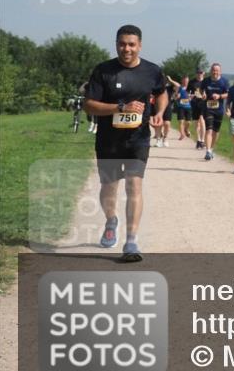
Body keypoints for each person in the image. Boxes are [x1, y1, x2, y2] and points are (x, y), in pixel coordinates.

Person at [82, 24, 166, 262]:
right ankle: (111, 220)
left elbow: (161, 92)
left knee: (134, 186)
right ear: (116, 44)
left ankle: (131, 241)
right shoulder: (103, 71)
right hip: (109, 140)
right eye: (122, 43)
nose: (126, 48)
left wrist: (159, 111)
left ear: (139, 45)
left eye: (131, 44)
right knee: (109, 187)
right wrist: (121, 107)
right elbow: (89, 105)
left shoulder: (152, 71)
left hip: (138, 139)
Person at [201, 63, 229, 161]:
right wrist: (203, 94)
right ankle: (208, 151)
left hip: (219, 109)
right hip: (208, 108)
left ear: (220, 71)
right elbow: (201, 91)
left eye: (217, 70)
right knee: (209, 129)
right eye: (213, 70)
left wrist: (219, 96)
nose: (215, 72)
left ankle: (212, 148)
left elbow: (227, 94)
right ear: (211, 71)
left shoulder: (224, 81)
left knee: (216, 131)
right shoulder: (206, 81)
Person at [153, 77, 176, 147]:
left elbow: (178, 86)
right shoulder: (157, 87)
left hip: (167, 106)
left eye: (165, 80)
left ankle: (165, 138)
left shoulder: (169, 87)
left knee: (167, 123)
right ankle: (158, 139)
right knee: (158, 123)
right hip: (157, 106)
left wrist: (171, 80)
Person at [188, 69, 207, 149]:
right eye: (198, 73)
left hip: (203, 103)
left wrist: (206, 95)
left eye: (201, 73)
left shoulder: (206, 82)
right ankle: (198, 140)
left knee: (202, 120)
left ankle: (202, 140)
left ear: (204, 73)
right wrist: (190, 96)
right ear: (196, 74)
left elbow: (209, 91)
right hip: (195, 103)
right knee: (196, 122)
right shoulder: (192, 82)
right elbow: (187, 92)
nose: (199, 74)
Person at [171, 75, 193, 141]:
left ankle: (186, 129)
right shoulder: (179, 88)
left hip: (188, 107)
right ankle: (182, 134)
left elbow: (195, 94)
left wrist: (191, 97)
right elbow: (175, 97)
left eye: (187, 81)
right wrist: (176, 96)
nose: (185, 82)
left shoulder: (190, 88)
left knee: (188, 122)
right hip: (181, 107)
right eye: (184, 81)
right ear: (182, 81)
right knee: (181, 121)